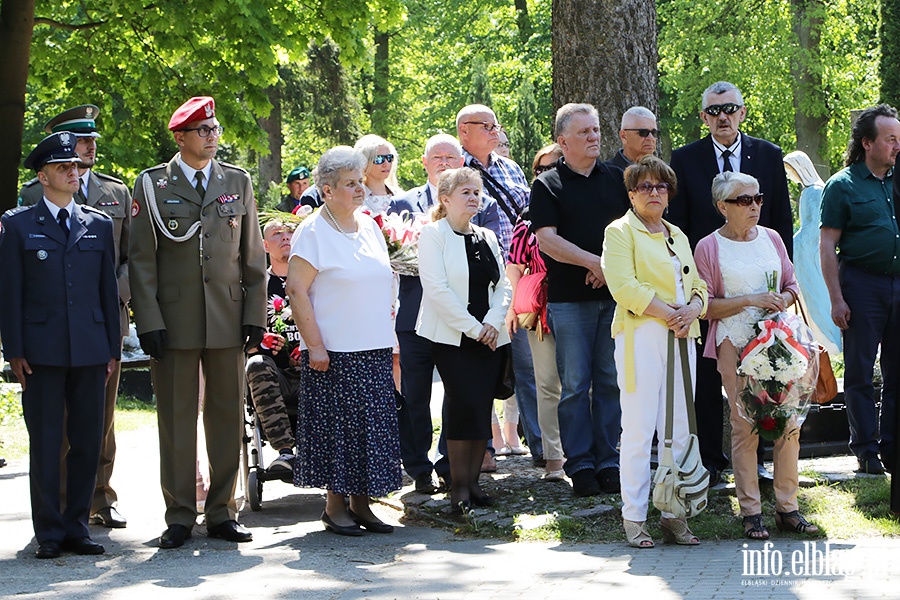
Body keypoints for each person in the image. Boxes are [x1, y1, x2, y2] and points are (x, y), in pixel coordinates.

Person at [129, 96, 267, 548]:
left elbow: (253, 257)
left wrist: (254, 315)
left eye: (215, 130)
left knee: (227, 416)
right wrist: (147, 320)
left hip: (227, 317)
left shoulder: (236, 181)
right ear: (180, 137)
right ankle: (180, 515)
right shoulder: (152, 184)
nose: (211, 138)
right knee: (176, 419)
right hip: (173, 320)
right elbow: (142, 260)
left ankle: (224, 512)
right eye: (202, 131)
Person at [0, 132, 120, 559]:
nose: (74, 173)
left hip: (90, 347)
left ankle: (77, 526)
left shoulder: (99, 224)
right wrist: (14, 350)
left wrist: (113, 347)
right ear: (43, 176)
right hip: (41, 351)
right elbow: (10, 293)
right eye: (64, 168)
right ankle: (49, 531)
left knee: (88, 441)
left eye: (77, 168)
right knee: (48, 442)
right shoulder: (17, 225)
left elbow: (108, 291)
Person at [669, 81, 794, 485]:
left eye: (730, 109)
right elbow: (682, 226)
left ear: (742, 112)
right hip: (708, 282)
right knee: (708, 377)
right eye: (714, 111)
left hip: (761, 281)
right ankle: (711, 459)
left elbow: (781, 221)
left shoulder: (769, 155)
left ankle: (757, 460)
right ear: (704, 118)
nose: (722, 117)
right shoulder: (685, 159)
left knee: (765, 375)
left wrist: (779, 278)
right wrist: (689, 284)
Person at [18, 104, 131, 529]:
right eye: (79, 143)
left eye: (90, 142)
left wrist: (108, 310)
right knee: (52, 431)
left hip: (100, 326)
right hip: (48, 335)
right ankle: (56, 515)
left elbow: (127, 260)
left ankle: (97, 502)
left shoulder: (115, 195)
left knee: (97, 425)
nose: (87, 151)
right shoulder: (29, 202)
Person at [695, 171, 817, 539]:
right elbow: (706, 307)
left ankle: (788, 508)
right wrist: (751, 300)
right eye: (743, 200)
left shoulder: (773, 238)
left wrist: (784, 298)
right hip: (734, 342)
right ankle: (750, 511)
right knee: (744, 425)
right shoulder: (708, 247)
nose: (754, 206)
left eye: (758, 198)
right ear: (722, 207)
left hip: (779, 343)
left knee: (788, 425)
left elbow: (792, 284)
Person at [286, 146, 400, 536]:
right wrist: (314, 345)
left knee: (370, 429)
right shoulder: (313, 232)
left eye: (360, 182)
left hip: (374, 346)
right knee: (341, 430)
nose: (359, 189)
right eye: (350, 184)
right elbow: (296, 290)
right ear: (327, 189)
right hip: (334, 351)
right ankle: (334, 508)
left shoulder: (368, 226)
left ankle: (362, 505)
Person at [603, 155, 707, 548]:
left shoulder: (677, 234)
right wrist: (670, 314)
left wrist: (693, 309)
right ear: (631, 194)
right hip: (641, 335)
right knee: (640, 428)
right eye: (645, 186)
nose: (654, 192)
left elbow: (698, 284)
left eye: (661, 186)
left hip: (682, 336)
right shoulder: (620, 232)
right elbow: (624, 286)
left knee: (680, 429)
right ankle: (634, 516)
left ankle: (673, 514)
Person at [388, 133, 499, 493]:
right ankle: (418, 466)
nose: (444, 162)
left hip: (465, 323)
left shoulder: (479, 213)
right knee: (416, 397)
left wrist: (489, 321)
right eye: (436, 156)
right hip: (415, 317)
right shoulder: (400, 204)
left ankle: (451, 468)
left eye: (451, 156)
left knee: (459, 397)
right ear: (424, 163)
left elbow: (497, 272)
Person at [530, 103, 630, 497]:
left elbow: (633, 232)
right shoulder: (549, 184)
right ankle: (581, 464)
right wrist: (595, 262)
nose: (594, 137)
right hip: (570, 301)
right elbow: (546, 240)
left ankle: (608, 460)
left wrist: (607, 269)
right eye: (585, 132)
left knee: (610, 381)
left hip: (616, 298)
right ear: (562, 141)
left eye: (596, 130)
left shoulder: (618, 179)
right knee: (574, 384)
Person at [417, 167, 512, 512]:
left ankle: (474, 484)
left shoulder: (486, 235)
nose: (474, 198)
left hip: (490, 338)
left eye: (477, 192)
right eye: (466, 193)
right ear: (445, 199)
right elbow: (437, 290)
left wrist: (491, 323)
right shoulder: (433, 235)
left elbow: (503, 285)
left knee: (481, 407)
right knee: (461, 406)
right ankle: (457, 487)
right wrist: (474, 328)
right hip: (453, 338)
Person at [458, 103, 542, 471]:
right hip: (473, 284)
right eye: (487, 126)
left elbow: (528, 218)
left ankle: (542, 447)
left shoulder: (511, 168)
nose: (496, 131)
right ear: (465, 131)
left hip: (520, 279)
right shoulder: (455, 171)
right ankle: (482, 449)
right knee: (476, 368)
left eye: (497, 126)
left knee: (529, 364)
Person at [821, 104, 900, 475]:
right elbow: (826, 247)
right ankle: (866, 451)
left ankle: (892, 448)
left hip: (898, 284)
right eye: (890, 139)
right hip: (861, 285)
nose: (897, 145)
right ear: (868, 143)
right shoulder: (842, 186)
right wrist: (837, 299)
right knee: (859, 372)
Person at [504, 143, 567, 481]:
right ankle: (553, 457)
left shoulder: (578, 207)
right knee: (547, 383)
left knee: (583, 384)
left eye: (554, 165)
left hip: (579, 303)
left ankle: (584, 451)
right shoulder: (527, 216)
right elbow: (514, 265)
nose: (547, 174)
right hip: (538, 309)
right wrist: (515, 305)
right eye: (540, 169)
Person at [245, 220, 302, 475]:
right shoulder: (257, 285)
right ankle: (285, 454)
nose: (286, 237)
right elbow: (240, 333)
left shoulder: (313, 279)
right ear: (265, 245)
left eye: (290, 232)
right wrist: (258, 341)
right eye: (277, 234)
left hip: (312, 370)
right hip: (274, 374)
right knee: (255, 364)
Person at [784, 151, 841, 354]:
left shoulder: (813, 191)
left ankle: (825, 340)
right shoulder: (812, 189)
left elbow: (812, 227)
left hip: (807, 251)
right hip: (807, 248)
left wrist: (790, 243)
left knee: (815, 293)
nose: (789, 176)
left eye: (790, 171)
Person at [355, 134, 403, 213]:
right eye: (379, 159)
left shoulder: (401, 196)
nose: (386, 163)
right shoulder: (355, 197)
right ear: (364, 163)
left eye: (389, 158)